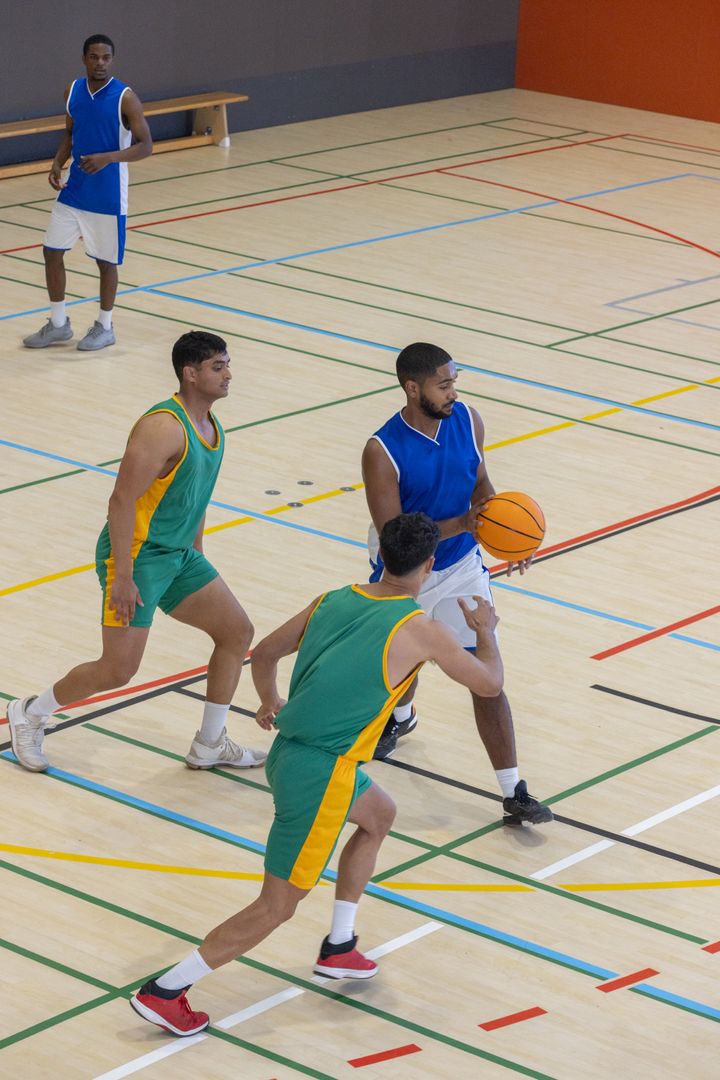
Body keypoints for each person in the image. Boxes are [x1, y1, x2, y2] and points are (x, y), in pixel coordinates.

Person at [129, 512, 503, 1036]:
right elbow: (488, 685)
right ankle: (166, 991)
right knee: (276, 905)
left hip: (291, 754)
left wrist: (268, 700)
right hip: (322, 773)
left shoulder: (334, 598)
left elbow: (264, 653)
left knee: (379, 815)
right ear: (430, 564)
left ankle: (340, 945)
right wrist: (485, 632)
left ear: (382, 554)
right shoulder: (424, 632)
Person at [6, 330, 265, 774]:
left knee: (236, 632)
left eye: (227, 364)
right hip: (137, 557)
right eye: (218, 366)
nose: (228, 374)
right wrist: (122, 576)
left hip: (178, 555)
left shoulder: (211, 426)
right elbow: (121, 501)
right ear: (190, 373)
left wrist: (197, 553)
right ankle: (29, 712)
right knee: (118, 670)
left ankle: (209, 742)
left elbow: (193, 496)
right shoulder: (162, 427)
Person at [362, 342, 552, 826]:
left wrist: (506, 534)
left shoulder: (468, 419)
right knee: (401, 665)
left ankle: (514, 791)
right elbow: (394, 537)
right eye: (443, 384)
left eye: (454, 381)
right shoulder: (382, 450)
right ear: (412, 388)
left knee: (486, 674)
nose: (453, 391)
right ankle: (399, 718)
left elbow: (482, 484)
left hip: (463, 565)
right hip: (405, 571)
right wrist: (464, 523)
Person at [22, 34, 152, 352]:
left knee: (106, 263)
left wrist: (108, 157)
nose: (100, 63)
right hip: (75, 189)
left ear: (112, 59)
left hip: (108, 195)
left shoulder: (125, 97)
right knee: (52, 251)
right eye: (94, 57)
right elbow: (70, 133)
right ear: (84, 59)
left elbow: (146, 146)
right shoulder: (74, 90)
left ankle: (105, 327)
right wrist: (57, 162)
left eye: (106, 57)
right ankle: (57, 324)